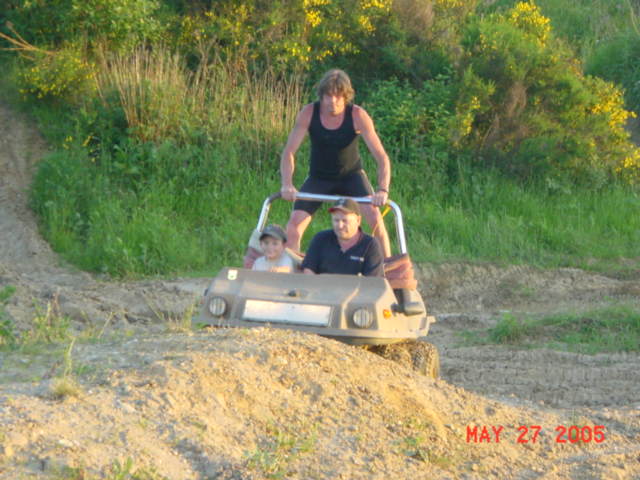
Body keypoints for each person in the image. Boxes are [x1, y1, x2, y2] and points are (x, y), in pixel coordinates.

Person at [280, 68, 392, 258]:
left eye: (338, 96)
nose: (333, 101)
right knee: (294, 225)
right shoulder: (308, 113)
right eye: (328, 96)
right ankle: (292, 270)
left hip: (351, 176)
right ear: (321, 96)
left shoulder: (358, 115)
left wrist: (382, 190)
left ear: (346, 97)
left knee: (375, 220)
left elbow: (382, 157)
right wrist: (287, 184)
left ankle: (387, 268)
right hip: (319, 178)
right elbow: (289, 152)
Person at [301, 198, 384, 277]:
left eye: (345, 221)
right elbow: (308, 271)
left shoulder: (370, 245)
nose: (340, 226)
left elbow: (372, 282)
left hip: (356, 288)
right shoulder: (320, 239)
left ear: (358, 220)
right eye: (336, 220)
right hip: (321, 287)